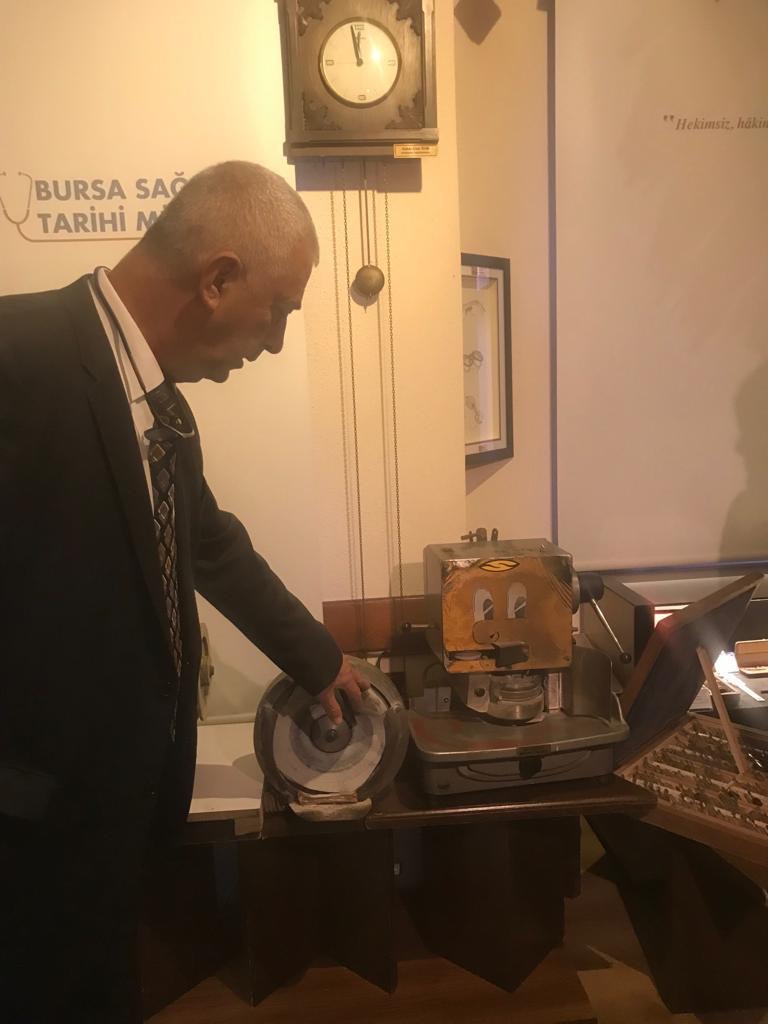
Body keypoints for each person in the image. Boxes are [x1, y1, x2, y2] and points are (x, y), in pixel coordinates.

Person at [0, 160, 368, 1023]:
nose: (274, 344)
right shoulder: (16, 357)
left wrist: (317, 657)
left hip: (121, 817)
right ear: (218, 279)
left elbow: (209, 544)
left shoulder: (164, 411)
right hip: (29, 830)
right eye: (278, 311)